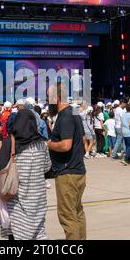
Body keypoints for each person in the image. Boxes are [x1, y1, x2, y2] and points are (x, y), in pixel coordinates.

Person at [0, 108, 52, 240]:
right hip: (38, 199)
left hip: (18, 198)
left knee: (19, 232)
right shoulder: (43, 144)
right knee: (39, 232)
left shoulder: (12, 143)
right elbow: (47, 167)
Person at [48, 82, 87, 240]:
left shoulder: (64, 116)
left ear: (56, 98)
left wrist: (49, 144)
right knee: (77, 212)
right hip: (78, 171)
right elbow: (83, 140)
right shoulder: (75, 113)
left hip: (67, 174)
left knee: (67, 215)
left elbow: (65, 145)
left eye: (49, 97)